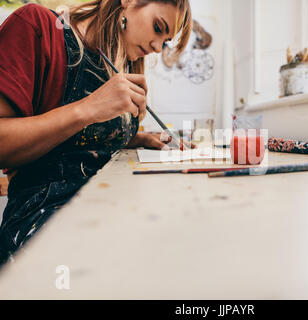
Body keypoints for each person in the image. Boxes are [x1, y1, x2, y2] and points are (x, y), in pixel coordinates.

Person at [0, 0, 193, 265]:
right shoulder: (36, 26)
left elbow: (81, 140)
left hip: (107, 209)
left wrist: (137, 137)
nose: (158, 48)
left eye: (166, 41)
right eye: (158, 27)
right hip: (42, 226)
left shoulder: (120, 62)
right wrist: (88, 109)